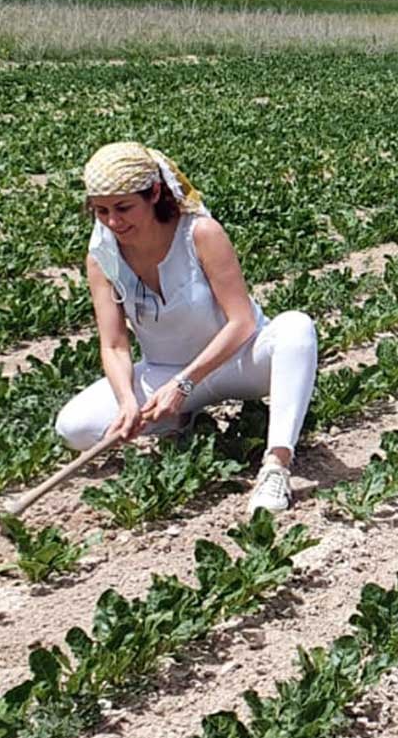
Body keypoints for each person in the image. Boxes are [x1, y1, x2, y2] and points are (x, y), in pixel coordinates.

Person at [57, 141, 317, 515]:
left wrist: (186, 383)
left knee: (296, 328)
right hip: (166, 371)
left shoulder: (200, 233)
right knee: (74, 427)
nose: (114, 222)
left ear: (155, 193)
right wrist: (129, 403)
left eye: (124, 208)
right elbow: (113, 345)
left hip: (240, 360)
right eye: (101, 211)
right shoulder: (103, 257)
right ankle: (181, 419)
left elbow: (241, 321)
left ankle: (276, 464)